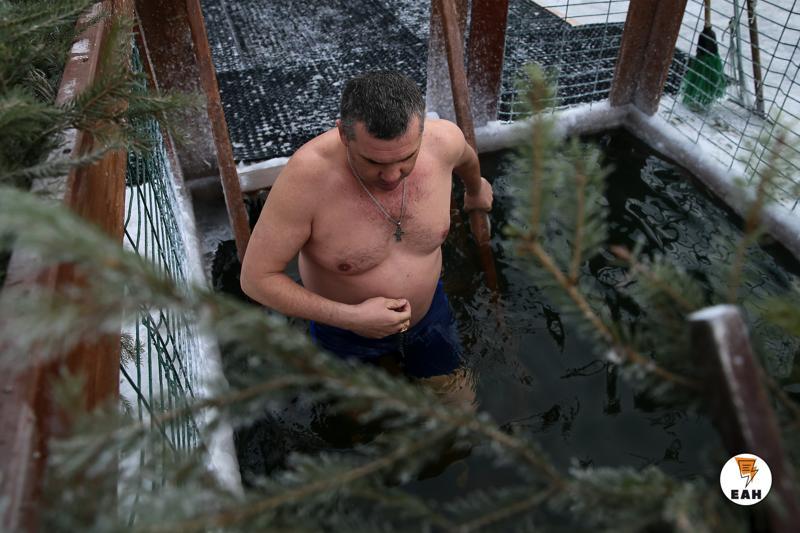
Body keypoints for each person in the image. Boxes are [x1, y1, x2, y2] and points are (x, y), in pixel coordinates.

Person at [240, 71, 492, 406]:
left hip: (428, 316)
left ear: (422, 133)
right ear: (343, 134)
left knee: (460, 407)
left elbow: (467, 159)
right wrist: (351, 317)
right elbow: (256, 279)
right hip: (344, 333)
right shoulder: (307, 180)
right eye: (373, 161)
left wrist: (475, 190)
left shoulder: (443, 141)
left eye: (406, 159)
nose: (391, 176)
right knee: (362, 420)